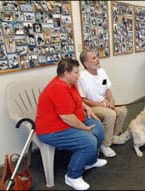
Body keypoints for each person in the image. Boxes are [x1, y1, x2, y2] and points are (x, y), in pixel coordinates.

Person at [35, 58, 107, 190]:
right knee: (89, 140)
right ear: (66, 73)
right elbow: (67, 117)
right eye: (76, 72)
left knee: (99, 127)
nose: (79, 75)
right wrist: (85, 128)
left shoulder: (71, 83)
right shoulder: (58, 88)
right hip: (52, 130)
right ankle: (72, 176)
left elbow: (78, 100)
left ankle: (90, 161)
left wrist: (87, 108)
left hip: (70, 121)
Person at [77, 49, 128, 158]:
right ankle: (105, 144)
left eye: (97, 57)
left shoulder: (101, 72)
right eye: (94, 58)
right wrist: (103, 105)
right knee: (111, 114)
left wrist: (111, 101)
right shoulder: (82, 78)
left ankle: (113, 136)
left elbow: (107, 89)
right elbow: (83, 99)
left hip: (104, 103)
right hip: (91, 107)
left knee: (122, 110)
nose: (98, 60)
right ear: (86, 63)